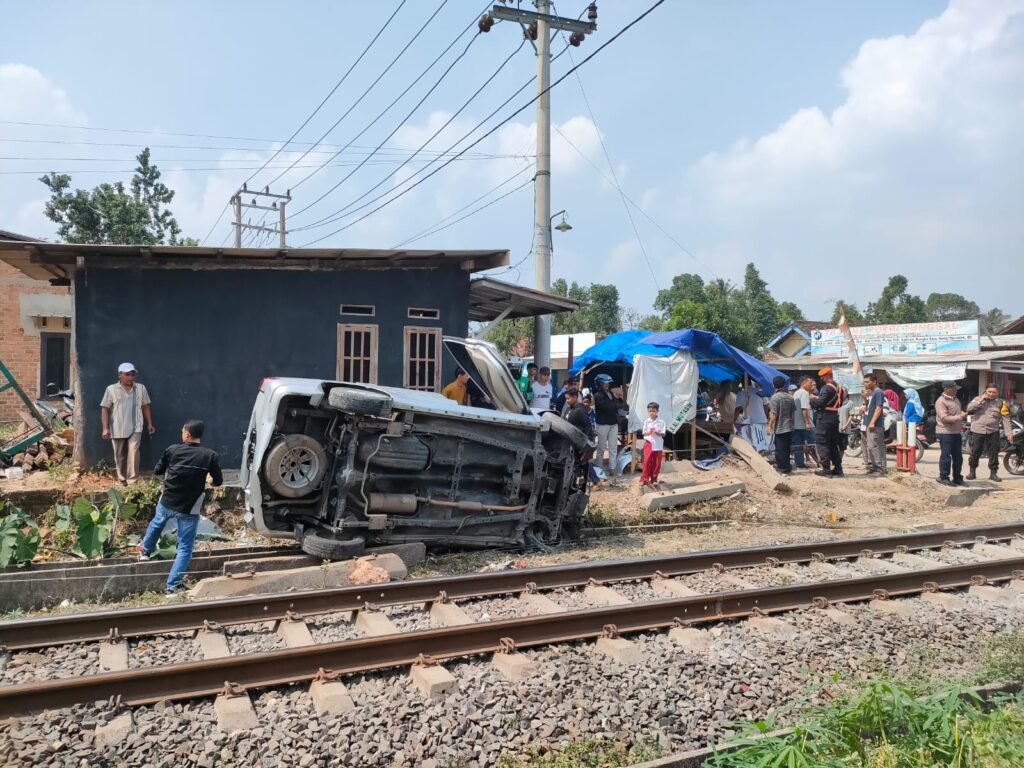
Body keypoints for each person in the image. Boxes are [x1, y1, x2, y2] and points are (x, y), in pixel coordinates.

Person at [138, 420, 223, 594]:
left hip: (168, 500)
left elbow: (157, 471)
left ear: (186, 434)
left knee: (157, 523)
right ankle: (172, 587)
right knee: (185, 548)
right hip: (189, 508)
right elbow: (218, 482)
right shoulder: (210, 456)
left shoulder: (172, 450)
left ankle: (145, 552)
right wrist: (209, 479)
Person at [100, 362, 155, 485]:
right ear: (120, 375)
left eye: (132, 374)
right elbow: (105, 409)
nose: (130, 377)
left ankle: (132, 480)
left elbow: (145, 406)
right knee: (119, 454)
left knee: (134, 451)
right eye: (127, 374)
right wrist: (105, 428)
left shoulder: (141, 388)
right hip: (117, 426)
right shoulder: (111, 389)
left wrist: (149, 423)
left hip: (136, 425)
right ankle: (122, 478)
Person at [965, 384, 1014, 482]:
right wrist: (981, 400)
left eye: (994, 392)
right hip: (978, 430)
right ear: (986, 391)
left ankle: (993, 473)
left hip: (993, 431)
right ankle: (972, 472)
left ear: (997, 393)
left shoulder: (1001, 403)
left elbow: (1006, 418)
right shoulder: (977, 399)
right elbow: (969, 409)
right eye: (989, 392)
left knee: (994, 452)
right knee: (975, 451)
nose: (991, 394)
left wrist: (1009, 432)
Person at [810, 367, 846, 477]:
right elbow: (837, 403)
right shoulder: (840, 388)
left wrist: (812, 399)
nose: (821, 379)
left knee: (822, 443)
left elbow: (820, 403)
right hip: (835, 417)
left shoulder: (826, 388)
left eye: (822, 377)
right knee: (833, 444)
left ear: (826, 377)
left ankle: (826, 469)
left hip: (825, 418)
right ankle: (838, 469)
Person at [935, 381, 965, 486]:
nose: (956, 390)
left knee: (958, 457)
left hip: (956, 432)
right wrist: (960, 417)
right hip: (945, 432)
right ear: (947, 389)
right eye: (954, 389)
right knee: (946, 456)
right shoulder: (941, 401)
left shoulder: (956, 399)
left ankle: (957, 477)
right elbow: (945, 418)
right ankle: (943, 477)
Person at [592, 374, 621, 479]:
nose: (607, 385)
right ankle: (599, 468)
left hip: (613, 423)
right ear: (599, 384)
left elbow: (617, 406)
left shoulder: (610, 394)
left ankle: (612, 468)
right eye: (604, 383)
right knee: (601, 447)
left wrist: (617, 400)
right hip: (602, 424)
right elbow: (607, 407)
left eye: (607, 383)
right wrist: (616, 402)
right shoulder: (598, 395)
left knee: (613, 447)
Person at [767, 376, 796, 475]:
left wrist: (770, 425)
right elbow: (793, 414)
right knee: (787, 448)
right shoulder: (790, 397)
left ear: (774, 385)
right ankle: (787, 466)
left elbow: (774, 414)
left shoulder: (775, 397)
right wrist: (792, 424)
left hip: (780, 427)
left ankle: (782, 468)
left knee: (780, 449)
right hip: (789, 426)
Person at [862, 373, 887, 475]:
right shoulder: (871, 393)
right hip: (868, 423)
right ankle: (874, 466)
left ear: (874, 382)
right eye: (864, 382)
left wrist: (872, 422)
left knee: (875, 446)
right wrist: (865, 399)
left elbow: (879, 408)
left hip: (876, 424)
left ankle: (880, 468)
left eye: (867, 382)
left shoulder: (878, 392)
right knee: (870, 446)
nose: (866, 384)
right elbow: (868, 408)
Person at [639, 401, 667, 487]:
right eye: (650, 411)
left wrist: (657, 432)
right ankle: (644, 479)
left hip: (658, 443)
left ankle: (654, 479)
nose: (652, 413)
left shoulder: (661, 422)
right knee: (647, 461)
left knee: (657, 463)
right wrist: (649, 432)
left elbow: (663, 434)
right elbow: (644, 433)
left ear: (657, 411)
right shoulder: (647, 421)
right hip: (649, 442)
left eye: (653, 411)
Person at [791, 377, 815, 469]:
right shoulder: (804, 393)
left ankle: (799, 463)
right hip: (805, 425)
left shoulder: (796, 393)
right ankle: (820, 462)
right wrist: (807, 422)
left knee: (798, 445)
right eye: (810, 383)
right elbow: (804, 409)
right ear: (804, 383)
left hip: (797, 424)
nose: (811, 385)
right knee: (813, 443)